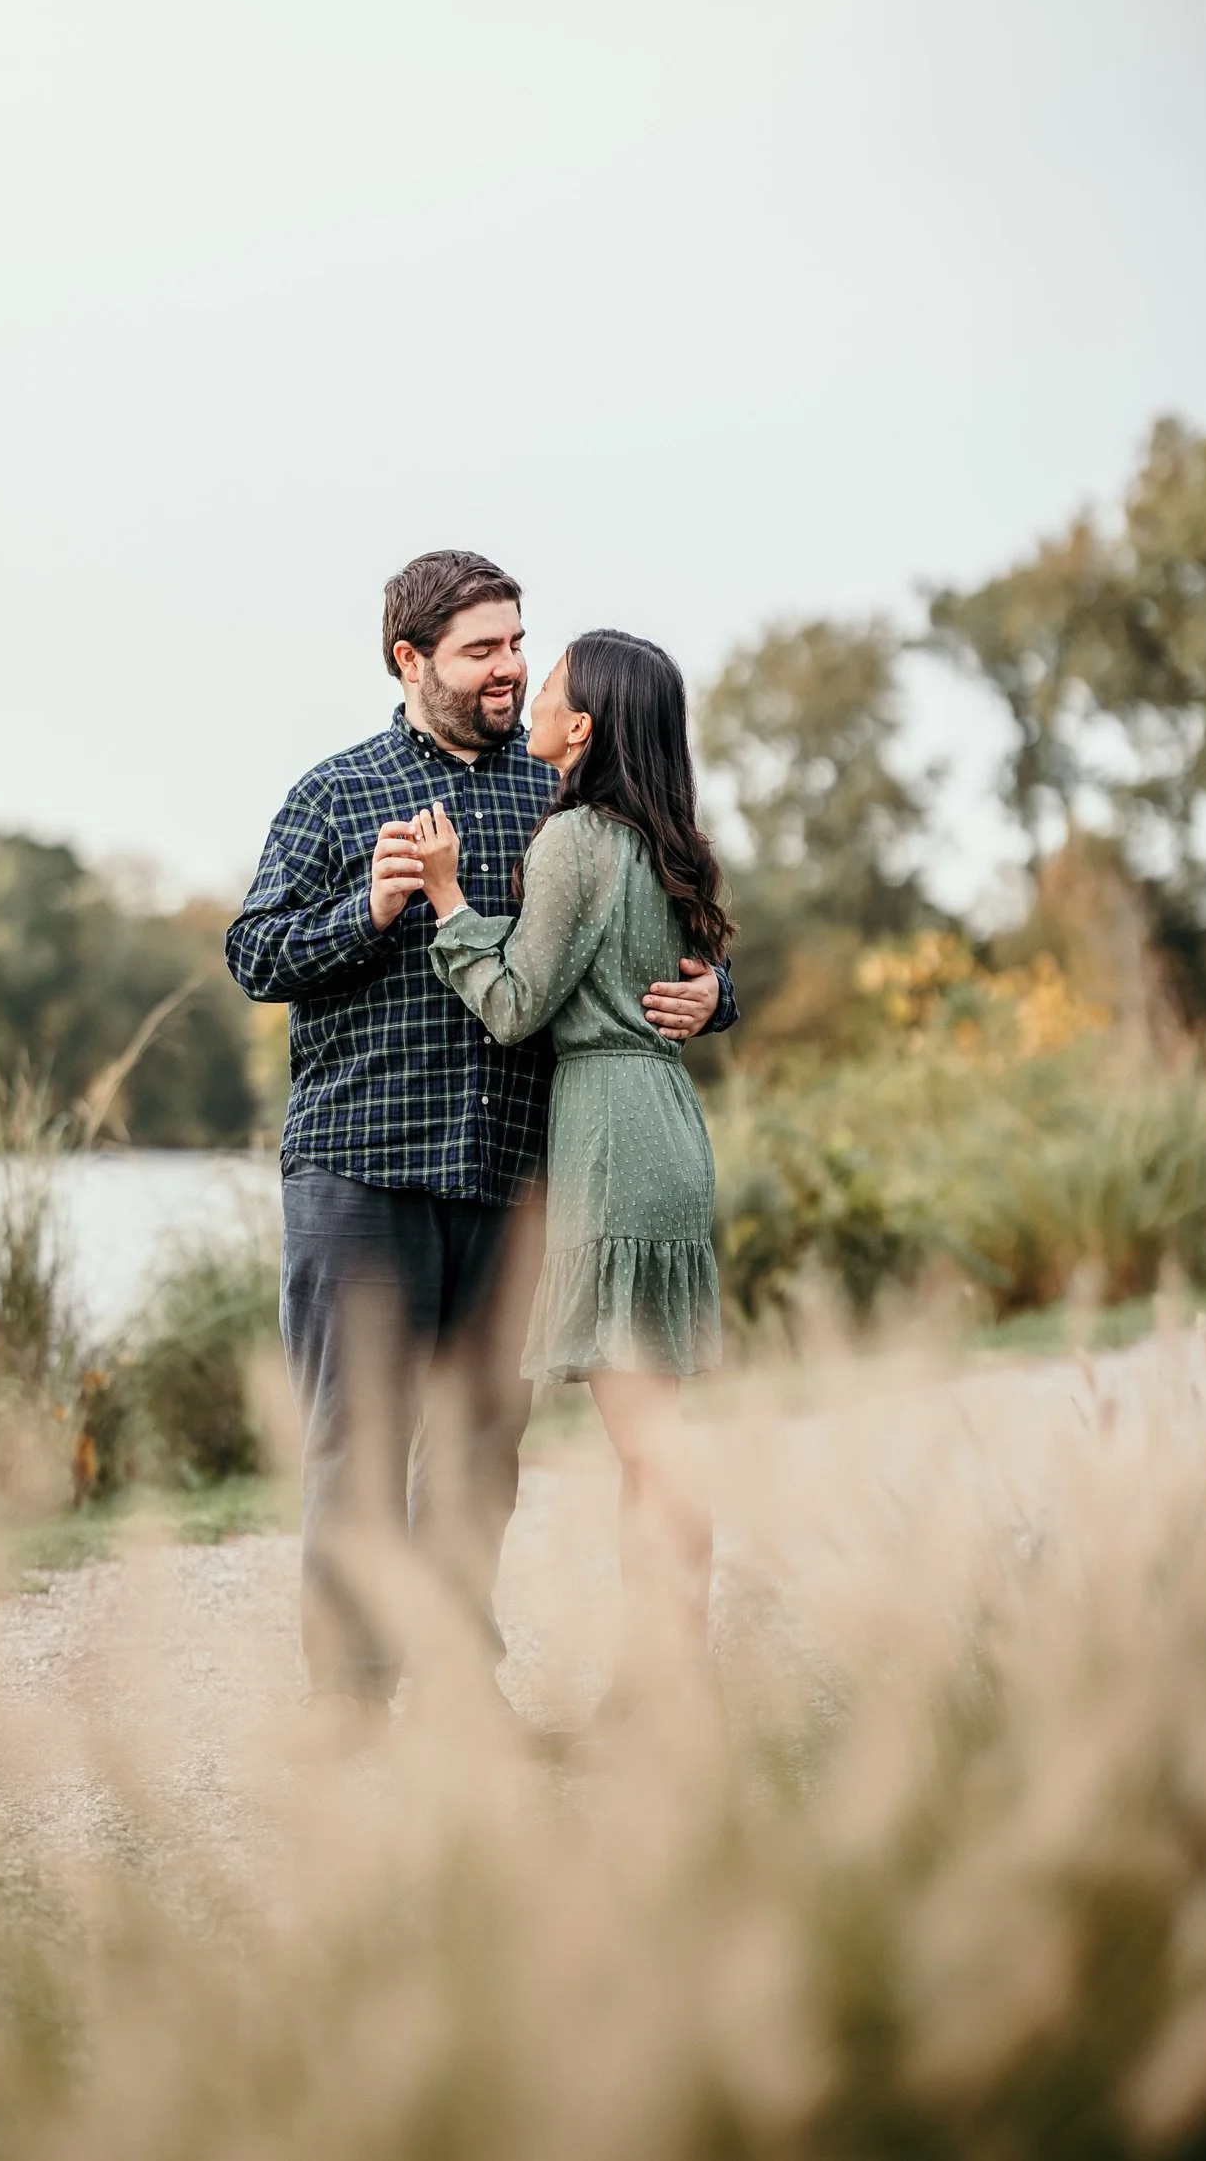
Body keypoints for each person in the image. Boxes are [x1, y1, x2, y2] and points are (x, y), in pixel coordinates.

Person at [225, 554, 736, 1752]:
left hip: (517, 1176)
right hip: (361, 1168)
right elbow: (254, 956)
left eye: (518, 643)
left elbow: (650, 925)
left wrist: (716, 999)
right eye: (482, 650)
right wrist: (370, 910)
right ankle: (348, 1711)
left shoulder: (558, 799)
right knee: (356, 1443)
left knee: (477, 1453)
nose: (510, 668)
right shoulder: (335, 796)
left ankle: (461, 1695)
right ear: (411, 661)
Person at [411, 629, 733, 1707]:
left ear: (581, 726)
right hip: (668, 1124)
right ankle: (661, 1675)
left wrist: (450, 903)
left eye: (546, 684)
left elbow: (513, 1006)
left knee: (648, 1439)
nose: (530, 692)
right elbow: (678, 975)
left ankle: (671, 1684)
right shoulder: (660, 839)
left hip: (607, 1135)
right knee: (654, 1432)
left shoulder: (574, 842)